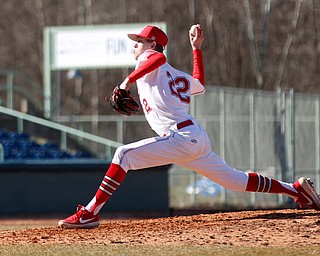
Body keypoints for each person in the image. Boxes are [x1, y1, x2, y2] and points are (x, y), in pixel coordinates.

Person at [58, 24, 320, 229]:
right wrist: (196, 49)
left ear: (153, 44)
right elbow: (199, 83)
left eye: (139, 41)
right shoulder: (175, 74)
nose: (135, 46)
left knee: (123, 155)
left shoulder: (152, 59)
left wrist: (125, 83)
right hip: (195, 137)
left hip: (180, 136)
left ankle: (89, 213)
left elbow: (156, 59)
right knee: (235, 180)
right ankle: (294, 190)